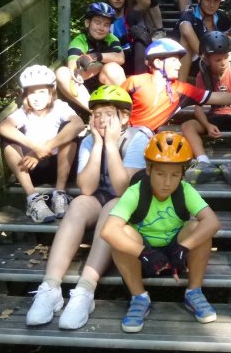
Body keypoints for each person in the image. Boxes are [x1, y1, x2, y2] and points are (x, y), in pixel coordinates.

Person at [25, 85, 150, 329]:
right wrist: (99, 145)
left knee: (114, 204)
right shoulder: (89, 141)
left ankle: (85, 290)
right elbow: (87, 188)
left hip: (130, 203)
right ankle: (50, 286)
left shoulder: (139, 137)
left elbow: (124, 189)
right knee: (80, 203)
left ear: (124, 117)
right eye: (97, 114)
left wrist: (112, 144)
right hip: (98, 196)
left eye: (108, 114)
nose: (101, 119)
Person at [101, 132, 222, 333]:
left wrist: (184, 247)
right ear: (149, 169)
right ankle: (139, 297)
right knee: (122, 233)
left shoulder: (184, 190)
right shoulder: (136, 192)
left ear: (182, 174)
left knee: (197, 228)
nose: (167, 182)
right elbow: (108, 230)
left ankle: (194, 292)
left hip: (177, 253)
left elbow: (212, 222)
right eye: (160, 174)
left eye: (175, 175)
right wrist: (144, 253)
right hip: (145, 257)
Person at [0, 65, 85, 223]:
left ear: (51, 92)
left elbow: (78, 125)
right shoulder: (23, 113)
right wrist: (35, 148)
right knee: (8, 139)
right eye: (31, 93)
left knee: (69, 131)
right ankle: (32, 199)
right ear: (25, 95)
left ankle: (60, 194)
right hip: (31, 168)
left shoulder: (60, 107)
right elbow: (3, 127)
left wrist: (46, 147)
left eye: (42, 92)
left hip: (61, 165)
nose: (37, 98)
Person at [122, 38, 231, 133]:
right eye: (174, 60)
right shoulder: (134, 81)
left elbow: (217, 97)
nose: (180, 64)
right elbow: (112, 105)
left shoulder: (182, 90)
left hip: (146, 136)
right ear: (158, 63)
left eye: (179, 60)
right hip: (124, 132)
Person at [181, 32, 231, 184]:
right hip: (215, 118)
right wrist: (207, 125)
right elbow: (198, 108)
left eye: (226, 58)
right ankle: (203, 161)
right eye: (217, 60)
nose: (223, 63)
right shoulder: (202, 75)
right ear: (206, 59)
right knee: (188, 125)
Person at [56, 2, 126, 113]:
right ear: (87, 23)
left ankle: (122, 111)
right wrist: (97, 65)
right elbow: (73, 67)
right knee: (62, 72)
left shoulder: (112, 39)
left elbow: (120, 58)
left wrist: (94, 56)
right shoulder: (79, 41)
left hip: (105, 84)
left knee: (113, 68)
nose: (101, 28)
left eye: (106, 25)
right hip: (83, 87)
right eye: (97, 22)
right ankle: (95, 112)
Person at [175, 0, 231, 81]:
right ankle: (180, 88)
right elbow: (185, 30)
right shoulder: (190, 14)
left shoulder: (222, 16)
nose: (212, 4)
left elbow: (229, 42)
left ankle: (230, 82)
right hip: (192, 58)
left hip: (216, 61)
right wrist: (207, 57)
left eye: (216, 1)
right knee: (186, 41)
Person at [101, 0, 153, 75]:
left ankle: (140, 79)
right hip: (113, 56)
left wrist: (138, 31)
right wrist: (127, 36)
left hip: (134, 56)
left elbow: (145, 37)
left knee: (140, 38)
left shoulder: (134, 14)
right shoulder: (102, 18)